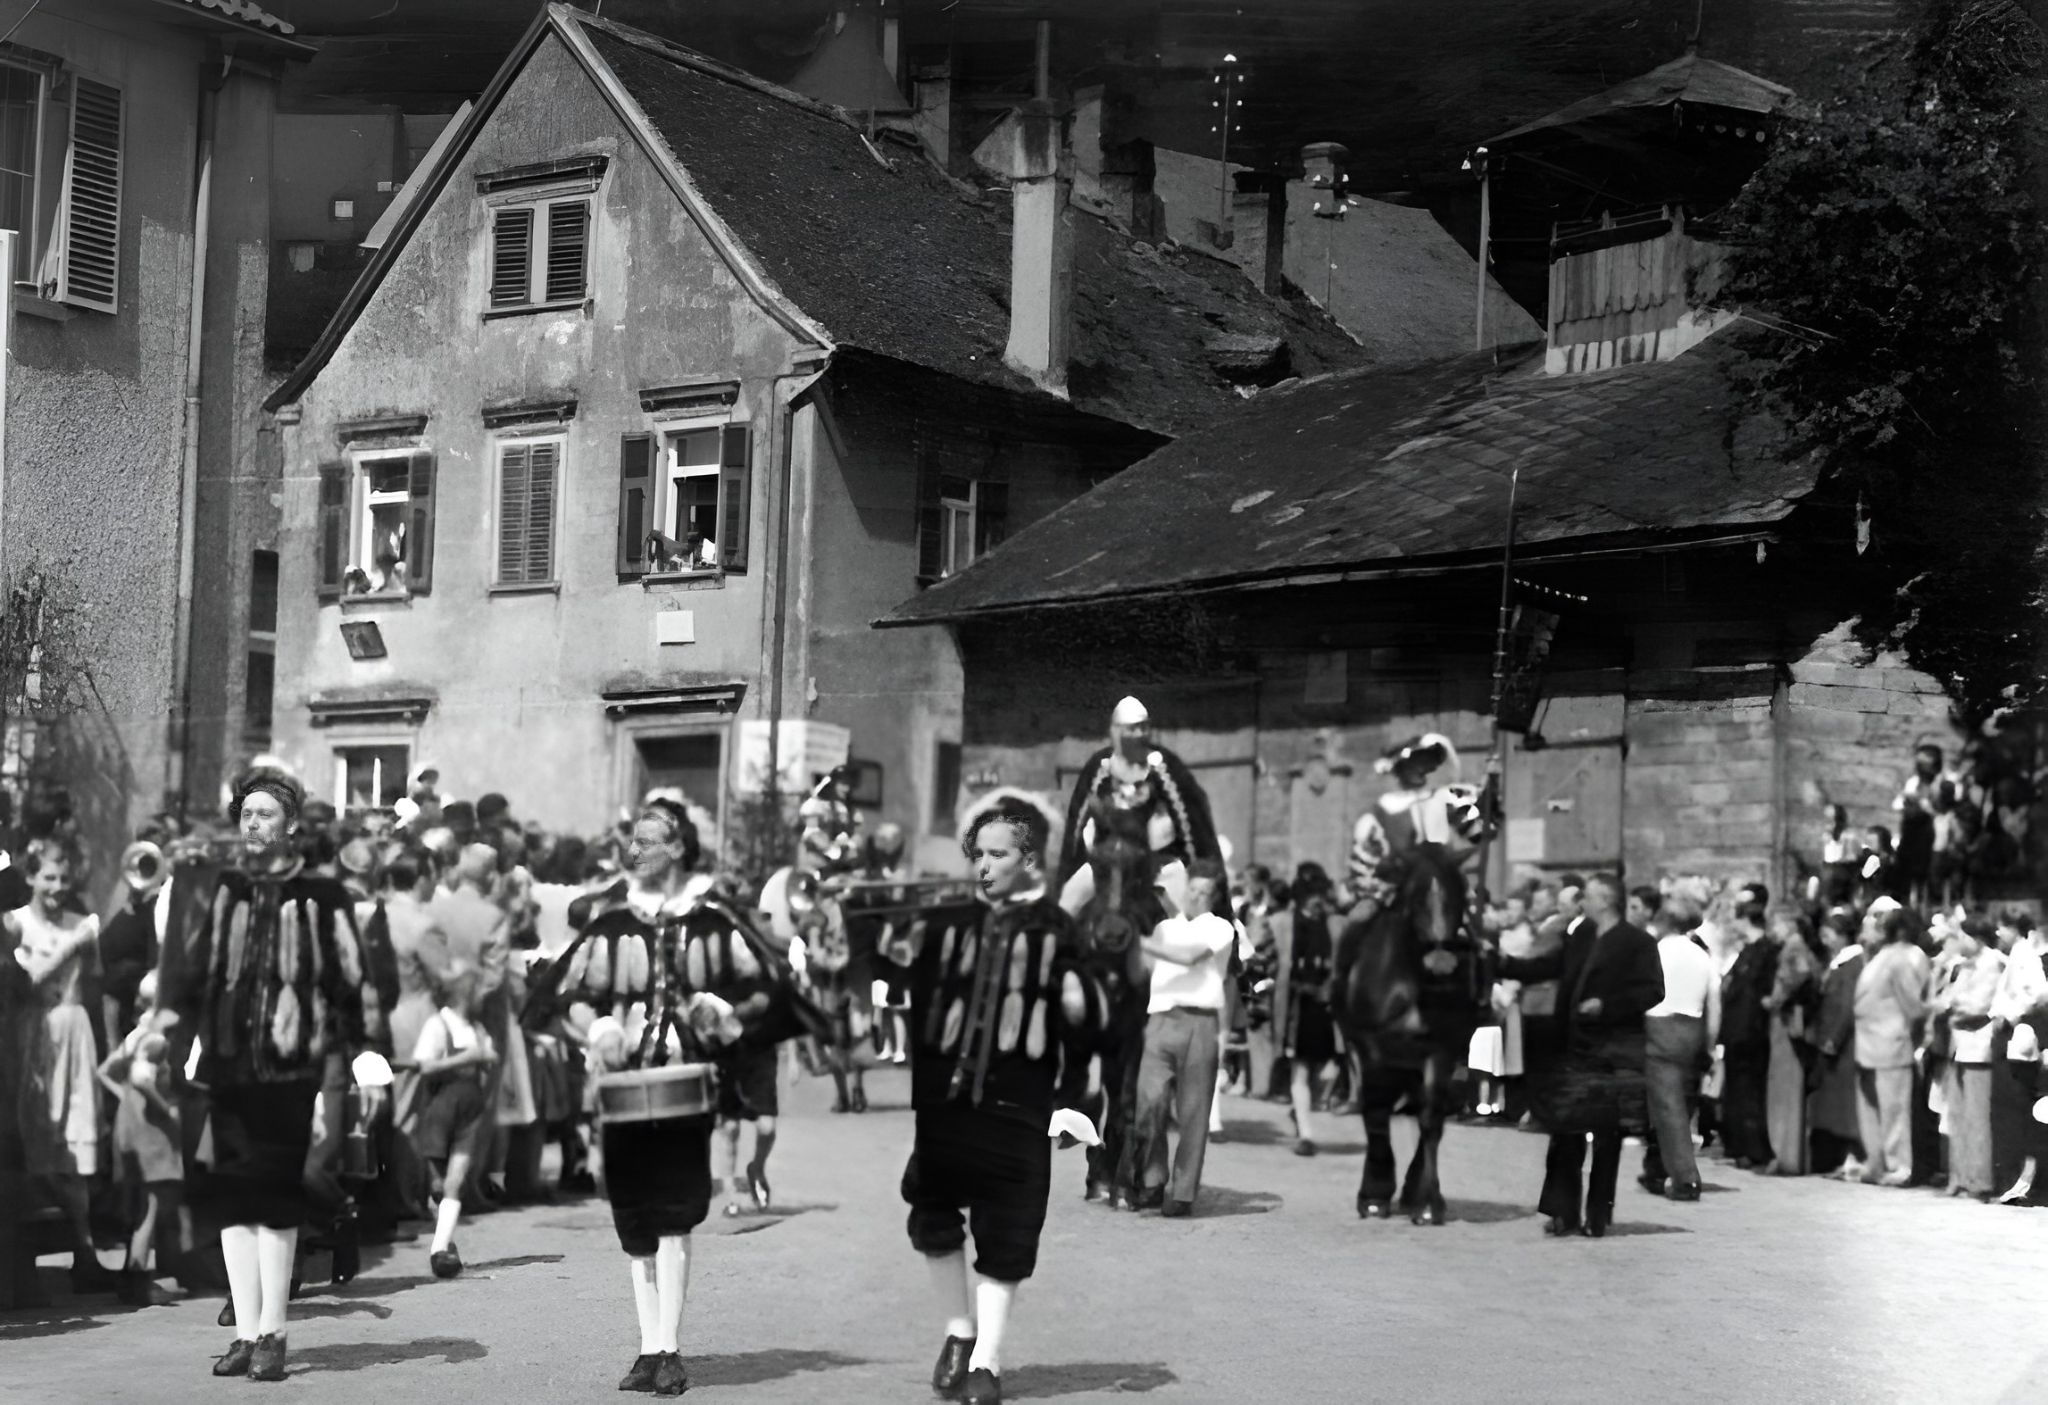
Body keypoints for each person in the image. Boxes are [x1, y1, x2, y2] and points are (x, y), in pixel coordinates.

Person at [153, 767, 385, 1382]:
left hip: (291, 1067)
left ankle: (275, 1335)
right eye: (246, 814)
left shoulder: (323, 895)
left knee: (275, 1198)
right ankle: (247, 1331)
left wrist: (354, 1055)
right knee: (235, 1199)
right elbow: (186, 975)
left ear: (290, 827)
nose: (252, 824)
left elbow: (350, 982)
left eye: (265, 815)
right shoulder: (217, 890)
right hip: (226, 1060)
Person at [903, 793, 1104, 1405]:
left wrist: (1076, 1102)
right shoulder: (951, 921)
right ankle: (959, 1332)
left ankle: (986, 1364)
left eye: (999, 855)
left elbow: (1085, 1024)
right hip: (952, 1101)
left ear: (1027, 859)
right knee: (933, 1215)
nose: (985, 866)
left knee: (1007, 1231)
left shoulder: (1055, 928)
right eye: (979, 855)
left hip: (1021, 1105)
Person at [1494, 874, 1663, 1238]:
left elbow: (1652, 991)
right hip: (1573, 1045)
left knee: (1607, 1136)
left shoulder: (1638, 943)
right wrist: (1503, 963)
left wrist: (1607, 1005)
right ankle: (1562, 1210)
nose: (1581, 901)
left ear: (1604, 899)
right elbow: (1549, 966)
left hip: (1613, 1050)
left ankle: (1598, 1214)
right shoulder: (1581, 933)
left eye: (1587, 895)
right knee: (1566, 1129)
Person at [6, 839, 112, 1294]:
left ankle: (84, 1254)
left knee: (75, 1150)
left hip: (74, 1032)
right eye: (49, 877)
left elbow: (96, 985)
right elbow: (25, 985)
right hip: (34, 1034)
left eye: (64, 879)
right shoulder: (15, 923)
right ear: (30, 877)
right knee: (33, 1144)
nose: (57, 888)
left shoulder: (79, 922)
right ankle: (24, 1262)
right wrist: (72, 945)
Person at [1127, 858, 1241, 1216]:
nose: (1196, 897)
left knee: (1194, 1113)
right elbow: (1143, 971)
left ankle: (1183, 1191)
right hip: (1160, 1020)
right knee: (1149, 1103)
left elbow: (1192, 958)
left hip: (1199, 1022)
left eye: (1204, 892)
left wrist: (1142, 943)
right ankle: (1151, 1178)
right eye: (1192, 890)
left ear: (1214, 896)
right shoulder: (1164, 928)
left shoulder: (1221, 928)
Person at [1056, 696, 1222, 918]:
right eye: (1132, 729)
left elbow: (1187, 820)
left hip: (1157, 862)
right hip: (1108, 860)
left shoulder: (1163, 768)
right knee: (1068, 901)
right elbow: (1081, 819)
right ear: (1116, 730)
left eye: (1143, 728)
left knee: (1188, 915)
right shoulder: (1101, 767)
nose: (1139, 734)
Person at [98, 970, 184, 1305]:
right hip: (150, 1127)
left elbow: (106, 1070)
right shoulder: (156, 1037)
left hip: (129, 1122)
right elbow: (143, 1079)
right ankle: (137, 1277)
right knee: (152, 1202)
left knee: (139, 1201)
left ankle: (131, 1276)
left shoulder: (135, 1034)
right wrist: (168, 1110)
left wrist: (124, 1099)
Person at [411, 960, 497, 1277]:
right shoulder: (439, 1024)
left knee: (454, 1182)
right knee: (436, 1185)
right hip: (440, 1109)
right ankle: (445, 1242)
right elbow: (425, 1066)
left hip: (469, 1112)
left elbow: (488, 1056)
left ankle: (439, 1251)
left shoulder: (477, 1028)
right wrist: (467, 1057)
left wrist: (487, 1060)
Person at [1638, 902, 1718, 1200]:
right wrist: (1710, 1042)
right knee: (1680, 1102)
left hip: (1660, 1027)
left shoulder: (1659, 951)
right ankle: (1656, 1168)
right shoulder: (1701, 955)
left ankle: (1686, 1177)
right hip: (1693, 1027)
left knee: (1667, 1107)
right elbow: (1714, 1001)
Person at [1853, 905, 1931, 1187]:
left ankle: (1899, 1166)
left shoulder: (1905, 958)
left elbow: (1912, 1004)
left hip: (1891, 1039)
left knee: (1894, 1109)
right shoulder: (1882, 956)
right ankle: (1875, 1162)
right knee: (1871, 1107)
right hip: (1869, 1041)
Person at [1933, 915, 2004, 1199]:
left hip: (1978, 1049)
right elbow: (1946, 1001)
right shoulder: (1963, 967)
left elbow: (1978, 1006)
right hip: (1957, 1046)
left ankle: (1979, 1180)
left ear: (1976, 938)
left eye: (1962, 936)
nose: (1958, 942)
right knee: (1957, 1116)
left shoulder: (1993, 964)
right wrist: (1955, 1007)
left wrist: (1955, 1008)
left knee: (1976, 1118)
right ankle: (1958, 1177)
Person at [1717, 899, 1778, 1169]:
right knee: (1739, 1090)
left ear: (1745, 921)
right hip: (1738, 1032)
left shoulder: (1765, 952)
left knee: (1749, 1091)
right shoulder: (1749, 952)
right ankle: (1740, 1144)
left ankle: (1753, 1147)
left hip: (1751, 1033)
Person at [1280, 879, 1339, 1156]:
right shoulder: (1286, 925)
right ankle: (1306, 1134)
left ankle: (1299, 1111)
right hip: (1296, 1007)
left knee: (1326, 1070)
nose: (1318, 906)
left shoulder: (1333, 926)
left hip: (1327, 1006)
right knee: (1301, 1068)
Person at [1761, 913, 1820, 1175]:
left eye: (1776, 924)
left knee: (1784, 1090)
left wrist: (1775, 1000)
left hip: (1786, 1024)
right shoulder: (1800, 947)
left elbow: (1799, 974)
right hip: (1792, 1021)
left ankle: (1786, 1155)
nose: (1773, 930)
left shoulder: (1793, 947)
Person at [1811, 911, 1868, 1178]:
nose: (1825, 937)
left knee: (1847, 1106)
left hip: (1845, 1046)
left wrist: (1833, 1039)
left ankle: (1852, 1158)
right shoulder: (1839, 963)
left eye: (1830, 932)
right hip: (1836, 1043)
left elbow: (1847, 1006)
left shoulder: (1853, 965)